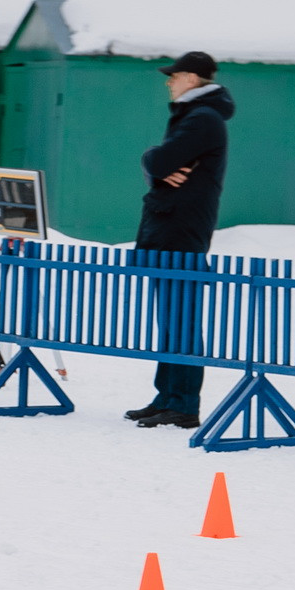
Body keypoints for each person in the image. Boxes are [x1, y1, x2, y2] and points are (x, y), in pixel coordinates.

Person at [123, 49, 233, 430]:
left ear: (191, 78)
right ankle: (167, 396)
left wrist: (155, 160)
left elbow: (159, 163)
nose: (169, 82)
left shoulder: (203, 119)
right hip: (172, 228)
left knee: (181, 321)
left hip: (182, 232)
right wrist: (157, 161)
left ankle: (185, 403)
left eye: (174, 76)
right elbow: (160, 164)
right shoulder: (194, 117)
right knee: (170, 321)